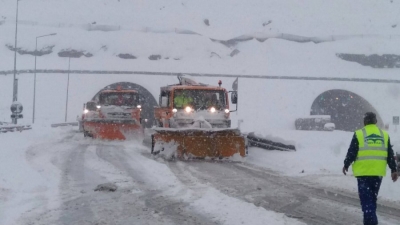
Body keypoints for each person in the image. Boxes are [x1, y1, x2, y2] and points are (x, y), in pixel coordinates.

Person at [342, 112, 398, 225]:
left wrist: (346, 164)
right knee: (371, 201)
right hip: (377, 174)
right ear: (376, 121)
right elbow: (389, 154)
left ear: (364, 121)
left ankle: (371, 223)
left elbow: (352, 152)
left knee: (367, 203)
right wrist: (393, 170)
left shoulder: (359, 134)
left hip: (363, 173)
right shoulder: (384, 135)